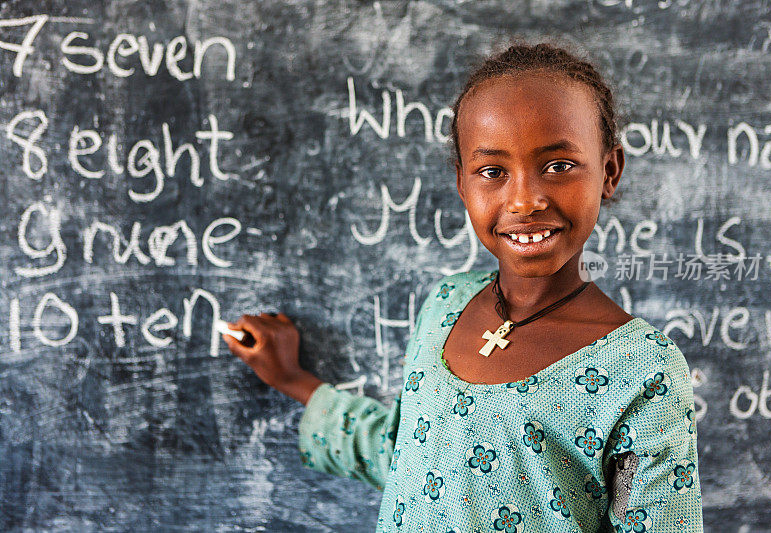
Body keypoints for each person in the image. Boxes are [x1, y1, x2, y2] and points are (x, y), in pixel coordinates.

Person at [223, 40, 703, 533]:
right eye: (492, 171)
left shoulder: (641, 369)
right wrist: (292, 380)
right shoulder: (447, 304)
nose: (524, 200)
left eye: (558, 165)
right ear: (462, 183)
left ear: (609, 171)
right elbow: (409, 460)